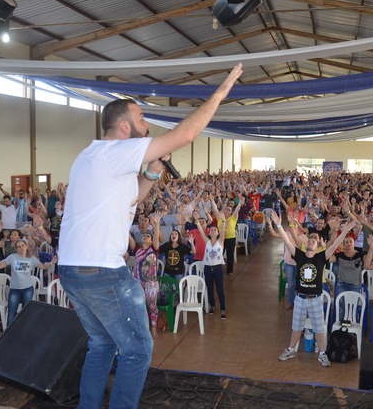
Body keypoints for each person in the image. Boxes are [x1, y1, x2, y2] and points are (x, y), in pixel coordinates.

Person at [57, 63, 242, 409]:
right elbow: (185, 135)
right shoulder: (115, 150)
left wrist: (154, 172)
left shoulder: (93, 156)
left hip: (72, 270)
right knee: (138, 351)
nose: (147, 126)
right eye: (142, 119)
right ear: (124, 126)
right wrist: (219, 93)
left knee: (101, 345)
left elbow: (132, 199)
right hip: (101, 271)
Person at [271, 211, 356, 367]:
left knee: (318, 328)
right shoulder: (299, 255)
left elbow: (336, 244)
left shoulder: (321, 257)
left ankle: (322, 354)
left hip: (315, 299)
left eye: (313, 242)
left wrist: (345, 230)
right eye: (309, 240)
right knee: (296, 327)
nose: (310, 242)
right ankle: (291, 350)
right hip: (300, 298)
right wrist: (278, 224)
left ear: (317, 247)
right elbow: (286, 239)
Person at [0, 238, 57, 325]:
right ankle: (9, 334)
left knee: (26, 313)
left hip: (27, 289)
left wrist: (52, 263)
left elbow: (43, 267)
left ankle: (24, 334)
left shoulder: (32, 258)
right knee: (11, 313)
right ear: (16, 249)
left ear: (26, 246)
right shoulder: (12, 257)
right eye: (19, 247)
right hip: (14, 289)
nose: (21, 248)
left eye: (23, 245)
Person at [128, 213, 162, 339]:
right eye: (144, 236)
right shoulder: (137, 249)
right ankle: (141, 328)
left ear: (151, 240)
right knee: (138, 306)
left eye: (148, 236)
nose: (145, 237)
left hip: (151, 284)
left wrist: (157, 225)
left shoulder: (154, 249)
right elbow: (128, 235)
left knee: (152, 305)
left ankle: (153, 328)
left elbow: (157, 238)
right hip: (138, 283)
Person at [196, 212, 227, 319]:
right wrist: (197, 221)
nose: (213, 231)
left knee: (220, 288)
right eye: (212, 230)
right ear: (209, 233)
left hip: (218, 268)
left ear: (218, 233)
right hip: (208, 268)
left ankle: (223, 308)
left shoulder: (220, 241)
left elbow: (223, 231)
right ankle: (212, 306)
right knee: (209, 287)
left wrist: (223, 221)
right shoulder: (207, 241)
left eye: (215, 230)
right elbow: (200, 231)